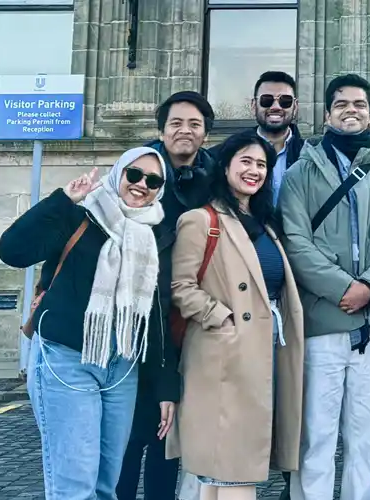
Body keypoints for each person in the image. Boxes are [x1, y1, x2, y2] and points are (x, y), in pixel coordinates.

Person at [0, 147, 178, 500]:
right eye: (134, 174)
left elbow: (156, 315)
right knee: (74, 488)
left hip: (122, 365)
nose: (142, 184)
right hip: (68, 359)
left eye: (153, 180)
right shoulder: (80, 214)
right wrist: (63, 200)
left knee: (105, 485)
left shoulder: (152, 234)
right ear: (118, 174)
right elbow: (12, 251)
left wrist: (165, 387)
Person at [279, 74, 370, 500]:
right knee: (317, 439)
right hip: (323, 322)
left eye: (359, 103)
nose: (351, 110)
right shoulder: (301, 173)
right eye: (341, 104)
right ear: (326, 114)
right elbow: (296, 242)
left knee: (368, 439)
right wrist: (345, 288)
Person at [167, 133, 306, 500]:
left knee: (222, 473)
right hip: (222, 356)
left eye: (261, 165)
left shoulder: (266, 223)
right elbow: (180, 287)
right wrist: (222, 318)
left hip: (263, 351)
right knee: (231, 466)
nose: (254, 171)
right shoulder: (200, 220)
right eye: (245, 161)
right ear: (225, 165)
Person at [120, 90, 217, 500]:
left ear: (205, 133)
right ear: (162, 130)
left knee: (168, 429)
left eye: (194, 124)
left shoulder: (214, 176)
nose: (185, 131)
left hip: (185, 316)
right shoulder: (137, 173)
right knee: (128, 433)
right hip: (138, 312)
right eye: (176, 123)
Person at [209, 71, 305, 205]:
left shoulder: (311, 156)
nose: (276, 107)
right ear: (254, 105)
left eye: (285, 101)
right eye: (267, 100)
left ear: (295, 106)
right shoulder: (222, 154)